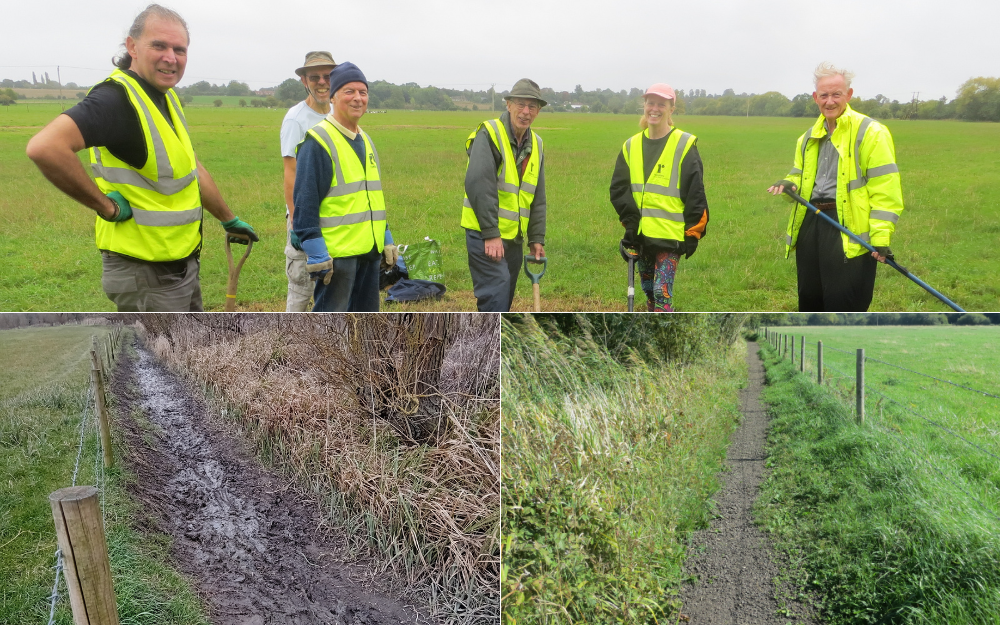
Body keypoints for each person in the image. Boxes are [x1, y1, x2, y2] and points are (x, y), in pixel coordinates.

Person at [25, 4, 258, 312]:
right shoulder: (116, 99)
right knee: (163, 356)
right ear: (132, 47)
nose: (170, 57)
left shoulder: (166, 96)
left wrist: (228, 218)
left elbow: (189, 168)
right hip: (146, 275)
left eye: (180, 49)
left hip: (181, 266)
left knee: (191, 350)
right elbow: (45, 147)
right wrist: (106, 207)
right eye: (159, 45)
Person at [768, 62, 903, 312]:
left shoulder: (871, 132)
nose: (829, 101)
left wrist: (881, 237)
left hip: (847, 226)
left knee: (844, 303)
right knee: (809, 299)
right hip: (811, 220)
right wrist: (789, 184)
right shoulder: (807, 137)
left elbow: (886, 189)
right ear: (815, 98)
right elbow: (800, 174)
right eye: (824, 95)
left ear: (849, 95)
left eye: (836, 94)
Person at [292, 62, 397, 312]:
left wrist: (385, 237)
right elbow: (305, 204)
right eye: (349, 91)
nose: (358, 98)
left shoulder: (366, 140)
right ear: (333, 97)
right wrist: (317, 252)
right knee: (331, 328)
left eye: (363, 92)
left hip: (369, 254)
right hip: (337, 259)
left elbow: (372, 198)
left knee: (366, 326)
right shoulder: (317, 142)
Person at [609, 83, 709, 312]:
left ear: (671, 109)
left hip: (670, 238)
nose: (655, 108)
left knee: (662, 298)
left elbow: (696, 193)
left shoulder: (684, 144)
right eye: (650, 103)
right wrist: (631, 224)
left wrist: (692, 234)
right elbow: (618, 189)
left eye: (661, 104)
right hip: (641, 238)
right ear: (644, 106)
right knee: (648, 294)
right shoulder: (630, 146)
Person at [461, 78, 547, 312]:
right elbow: (479, 184)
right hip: (485, 235)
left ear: (538, 110)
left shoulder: (536, 144)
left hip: (513, 238)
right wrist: (490, 233)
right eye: (520, 104)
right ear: (508, 104)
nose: (526, 112)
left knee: (504, 297)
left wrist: (536, 237)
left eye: (532, 107)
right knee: (495, 294)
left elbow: (537, 196)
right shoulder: (489, 133)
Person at [281, 51, 337, 312]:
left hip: (336, 218)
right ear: (304, 81)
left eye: (327, 76)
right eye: (315, 77)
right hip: (306, 217)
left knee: (332, 287)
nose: (322, 82)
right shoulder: (296, 119)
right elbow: (290, 173)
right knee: (302, 290)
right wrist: (296, 222)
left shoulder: (339, 113)